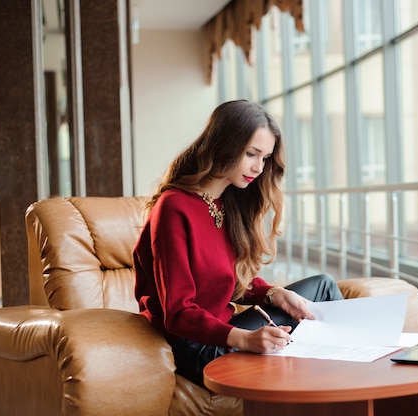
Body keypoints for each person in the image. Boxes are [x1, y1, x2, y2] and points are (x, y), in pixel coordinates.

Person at [133, 100, 343, 388]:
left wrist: (274, 294)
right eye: (251, 154)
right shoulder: (174, 207)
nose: (258, 167)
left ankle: (355, 366)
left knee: (323, 285)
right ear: (224, 145)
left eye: (265, 157)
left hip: (229, 330)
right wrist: (246, 339)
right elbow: (179, 313)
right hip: (196, 347)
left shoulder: (226, 203)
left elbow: (226, 280)